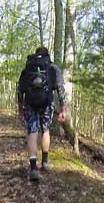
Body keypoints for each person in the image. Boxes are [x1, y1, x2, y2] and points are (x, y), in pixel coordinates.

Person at [17, 47, 68, 181]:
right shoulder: (52, 68)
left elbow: (20, 90)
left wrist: (20, 109)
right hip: (46, 103)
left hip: (29, 103)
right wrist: (63, 109)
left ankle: (33, 167)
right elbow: (60, 89)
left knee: (32, 131)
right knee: (45, 130)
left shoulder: (28, 68)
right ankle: (45, 162)